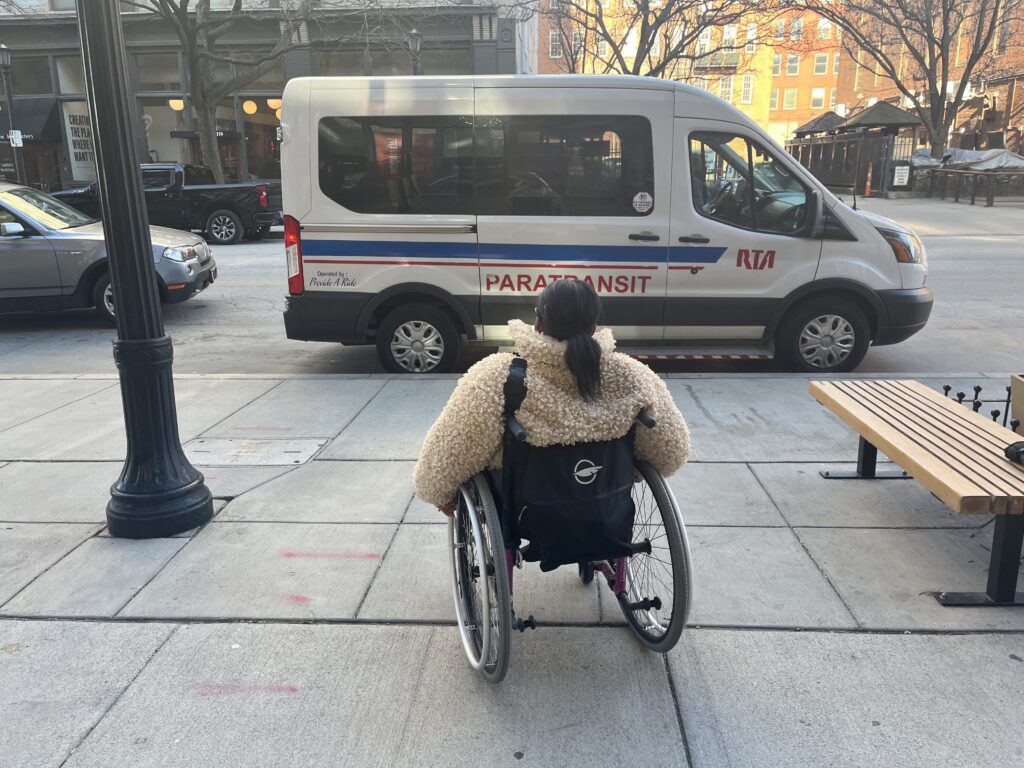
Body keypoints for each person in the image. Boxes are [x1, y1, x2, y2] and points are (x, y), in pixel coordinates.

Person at [413, 279, 691, 515]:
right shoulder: (631, 374)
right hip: (607, 501)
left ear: (539, 323)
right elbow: (672, 452)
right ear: (593, 325)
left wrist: (438, 493)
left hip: (525, 510)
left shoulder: (499, 376)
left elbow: (450, 453)